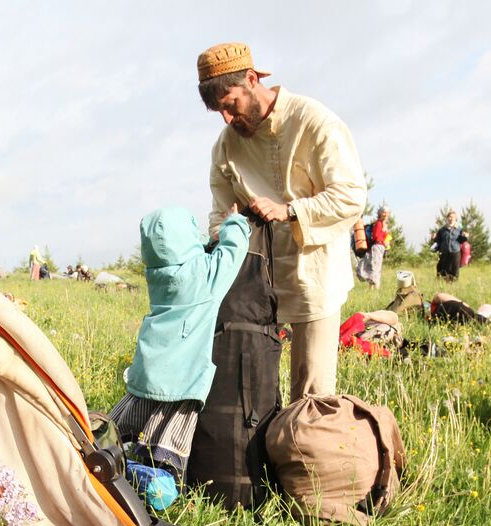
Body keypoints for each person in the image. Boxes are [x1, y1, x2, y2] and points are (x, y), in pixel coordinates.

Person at [199, 42, 367, 401]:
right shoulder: (226, 146)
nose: (227, 119)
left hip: (313, 275)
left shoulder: (314, 121)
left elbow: (352, 195)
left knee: (312, 395)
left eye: (231, 105)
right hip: (253, 287)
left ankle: (305, 457)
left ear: (251, 79)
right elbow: (218, 215)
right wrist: (226, 233)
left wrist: (290, 210)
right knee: (250, 392)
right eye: (219, 111)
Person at [110, 205, 251, 476]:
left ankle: (118, 458)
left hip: (148, 371)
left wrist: (209, 244)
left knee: (128, 430)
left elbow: (189, 255)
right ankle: (150, 482)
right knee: (165, 444)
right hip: (181, 381)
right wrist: (235, 222)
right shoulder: (204, 278)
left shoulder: (157, 274)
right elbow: (233, 253)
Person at [353, 206, 392, 289]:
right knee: (374, 267)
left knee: (376, 267)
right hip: (377, 247)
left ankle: (373, 288)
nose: (385, 214)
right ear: (380, 213)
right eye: (383, 212)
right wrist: (383, 235)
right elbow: (375, 237)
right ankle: (374, 287)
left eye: (387, 212)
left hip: (380, 248)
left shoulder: (384, 224)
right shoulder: (378, 223)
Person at [431, 210, 467, 282]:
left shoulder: (459, 229)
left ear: (455, 219)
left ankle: (454, 285)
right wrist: (434, 238)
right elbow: (438, 240)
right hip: (444, 253)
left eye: (453, 217)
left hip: (455, 252)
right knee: (443, 269)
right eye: (449, 217)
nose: (451, 219)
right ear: (447, 218)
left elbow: (462, 240)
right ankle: (443, 284)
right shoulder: (442, 230)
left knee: (454, 270)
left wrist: (465, 236)